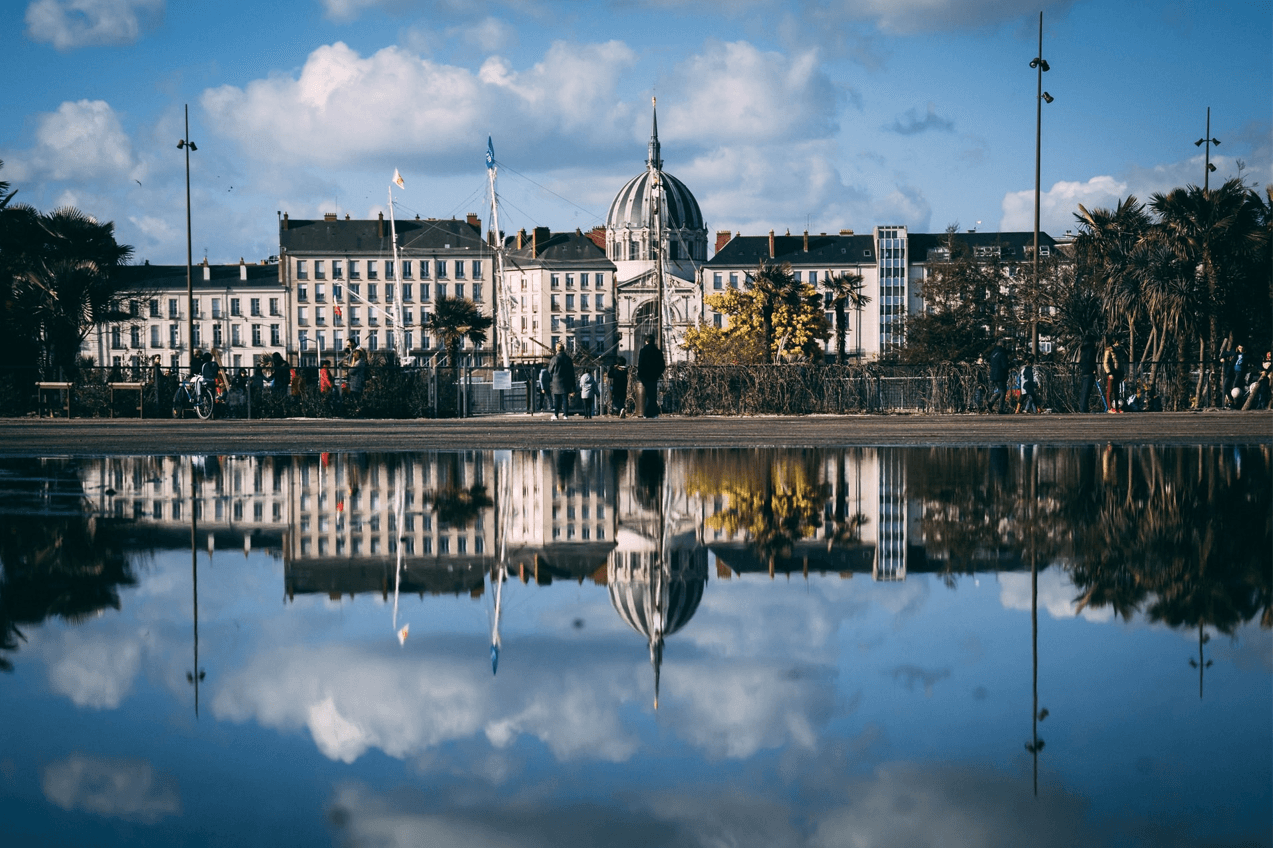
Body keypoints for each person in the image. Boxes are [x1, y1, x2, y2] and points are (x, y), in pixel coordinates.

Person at [637, 334, 665, 418]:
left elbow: (640, 364)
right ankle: (653, 413)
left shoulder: (643, 351)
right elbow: (662, 365)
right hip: (654, 375)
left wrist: (640, 375)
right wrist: (658, 373)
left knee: (648, 394)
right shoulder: (658, 351)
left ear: (646, 341)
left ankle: (648, 413)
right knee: (652, 394)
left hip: (645, 375)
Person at [548, 343, 575, 419]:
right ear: (564, 349)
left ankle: (556, 415)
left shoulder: (554, 358)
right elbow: (572, 372)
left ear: (557, 349)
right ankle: (566, 415)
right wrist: (573, 385)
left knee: (556, 399)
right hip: (566, 381)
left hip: (556, 381)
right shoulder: (568, 359)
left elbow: (550, 370)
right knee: (565, 399)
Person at [985, 341, 1009, 414]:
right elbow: (1004, 365)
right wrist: (1010, 365)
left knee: (1000, 391)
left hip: (993, 374)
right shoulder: (1002, 354)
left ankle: (990, 403)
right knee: (1003, 392)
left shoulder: (994, 353)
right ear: (1003, 346)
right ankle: (1000, 409)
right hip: (1000, 374)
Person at [1103, 339, 1125, 413]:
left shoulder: (1120, 350)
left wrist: (1122, 371)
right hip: (1111, 372)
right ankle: (1109, 408)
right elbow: (1105, 362)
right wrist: (1109, 373)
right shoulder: (1109, 350)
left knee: (1117, 390)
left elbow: (1121, 362)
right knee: (1110, 390)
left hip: (1118, 372)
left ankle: (1116, 407)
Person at [1077, 336, 1098, 413]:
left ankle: (1083, 407)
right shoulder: (1091, 350)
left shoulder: (1083, 350)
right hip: (1089, 372)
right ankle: (1084, 408)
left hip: (1084, 371)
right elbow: (1091, 361)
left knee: (1084, 391)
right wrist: (1094, 369)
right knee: (1087, 391)